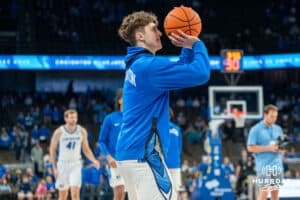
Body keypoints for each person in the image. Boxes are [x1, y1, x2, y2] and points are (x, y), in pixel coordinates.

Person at [116, 11, 210, 200]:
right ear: (140, 36)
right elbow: (200, 73)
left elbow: (180, 71)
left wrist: (186, 47)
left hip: (129, 154)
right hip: (144, 155)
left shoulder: (138, 64)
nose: (161, 33)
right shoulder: (149, 66)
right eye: (155, 29)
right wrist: (197, 44)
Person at [50, 109, 100, 200]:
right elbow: (52, 149)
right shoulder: (59, 132)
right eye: (71, 117)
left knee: (75, 193)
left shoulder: (82, 131)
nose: (73, 120)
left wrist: (94, 160)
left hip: (76, 164)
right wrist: (54, 167)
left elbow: (86, 149)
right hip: (62, 164)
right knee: (63, 195)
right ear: (66, 119)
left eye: (75, 118)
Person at [247, 104, 284, 200]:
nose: (274, 119)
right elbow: (250, 148)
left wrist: (280, 148)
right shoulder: (255, 130)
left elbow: (280, 145)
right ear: (265, 115)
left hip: (277, 164)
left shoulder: (278, 129)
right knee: (264, 191)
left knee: (275, 194)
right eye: (272, 116)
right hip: (263, 165)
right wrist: (269, 148)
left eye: (275, 116)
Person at [98, 88, 126, 200]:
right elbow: (101, 141)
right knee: (119, 192)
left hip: (133, 160)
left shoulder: (136, 118)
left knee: (135, 194)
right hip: (115, 160)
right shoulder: (110, 118)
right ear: (119, 100)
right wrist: (109, 157)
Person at [165, 108, 183, 198]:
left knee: (165, 192)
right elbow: (179, 148)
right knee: (175, 191)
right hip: (174, 164)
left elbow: (179, 147)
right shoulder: (177, 129)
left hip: (165, 164)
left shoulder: (158, 128)